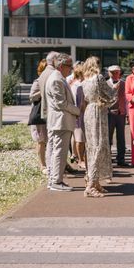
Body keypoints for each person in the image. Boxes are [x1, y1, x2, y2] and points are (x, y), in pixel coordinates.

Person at [82, 56, 117, 197]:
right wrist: (115, 88)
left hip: (89, 111)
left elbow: (87, 98)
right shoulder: (98, 78)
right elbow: (109, 94)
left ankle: (95, 181)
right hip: (98, 112)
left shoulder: (85, 81)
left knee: (91, 146)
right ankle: (91, 184)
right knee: (99, 145)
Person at [45, 53, 81, 191]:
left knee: (56, 151)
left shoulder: (59, 78)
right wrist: (77, 111)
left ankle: (54, 179)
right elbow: (61, 103)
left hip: (59, 121)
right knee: (59, 151)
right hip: (60, 122)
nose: (71, 69)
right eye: (69, 66)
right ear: (61, 66)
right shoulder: (56, 79)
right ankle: (56, 181)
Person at [29, 59, 49, 175]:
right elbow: (31, 97)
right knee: (41, 141)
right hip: (40, 116)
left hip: (48, 115)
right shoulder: (38, 82)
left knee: (48, 140)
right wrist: (42, 92)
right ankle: (42, 165)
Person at [107, 65, 128, 167]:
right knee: (108, 137)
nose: (115, 74)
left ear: (120, 73)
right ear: (109, 73)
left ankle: (121, 159)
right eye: (112, 72)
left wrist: (126, 112)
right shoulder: (105, 84)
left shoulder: (124, 83)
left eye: (117, 72)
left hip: (121, 113)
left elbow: (126, 99)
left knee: (121, 137)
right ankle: (108, 158)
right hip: (109, 114)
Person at [69, 62, 87, 170]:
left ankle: (81, 158)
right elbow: (75, 102)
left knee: (82, 139)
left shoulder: (83, 84)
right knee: (79, 139)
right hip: (78, 115)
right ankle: (80, 159)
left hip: (83, 114)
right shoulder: (75, 85)